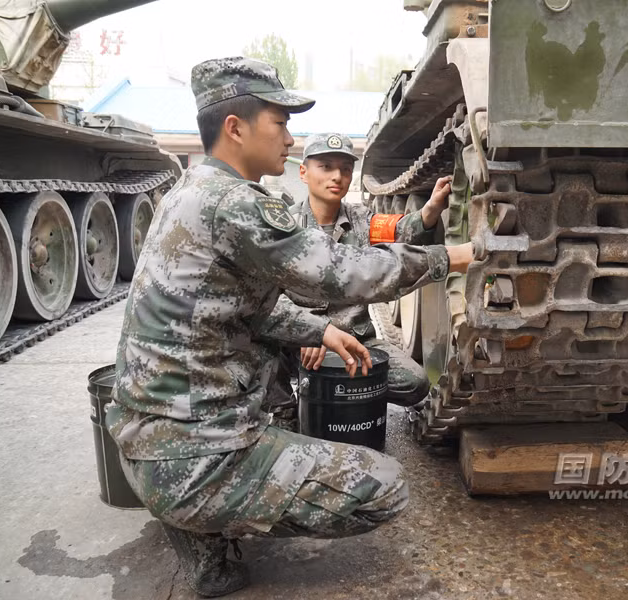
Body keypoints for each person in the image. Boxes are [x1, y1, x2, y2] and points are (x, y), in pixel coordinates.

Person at [105, 56, 474, 598]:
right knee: (386, 487)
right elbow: (342, 274)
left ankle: (209, 552)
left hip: (142, 443)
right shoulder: (236, 204)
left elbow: (231, 306)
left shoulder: (186, 195)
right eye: (279, 122)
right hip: (199, 454)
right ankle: (220, 505)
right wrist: (453, 257)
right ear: (236, 127)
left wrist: (317, 331)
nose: (288, 137)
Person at [269, 133, 449, 427]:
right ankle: (286, 413)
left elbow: (400, 234)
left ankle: (331, 390)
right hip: (295, 342)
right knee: (256, 348)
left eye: (345, 169)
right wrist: (310, 330)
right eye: (325, 167)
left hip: (355, 340)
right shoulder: (283, 226)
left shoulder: (361, 219)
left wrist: (430, 210)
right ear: (303, 173)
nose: (337, 176)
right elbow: (267, 295)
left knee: (415, 384)